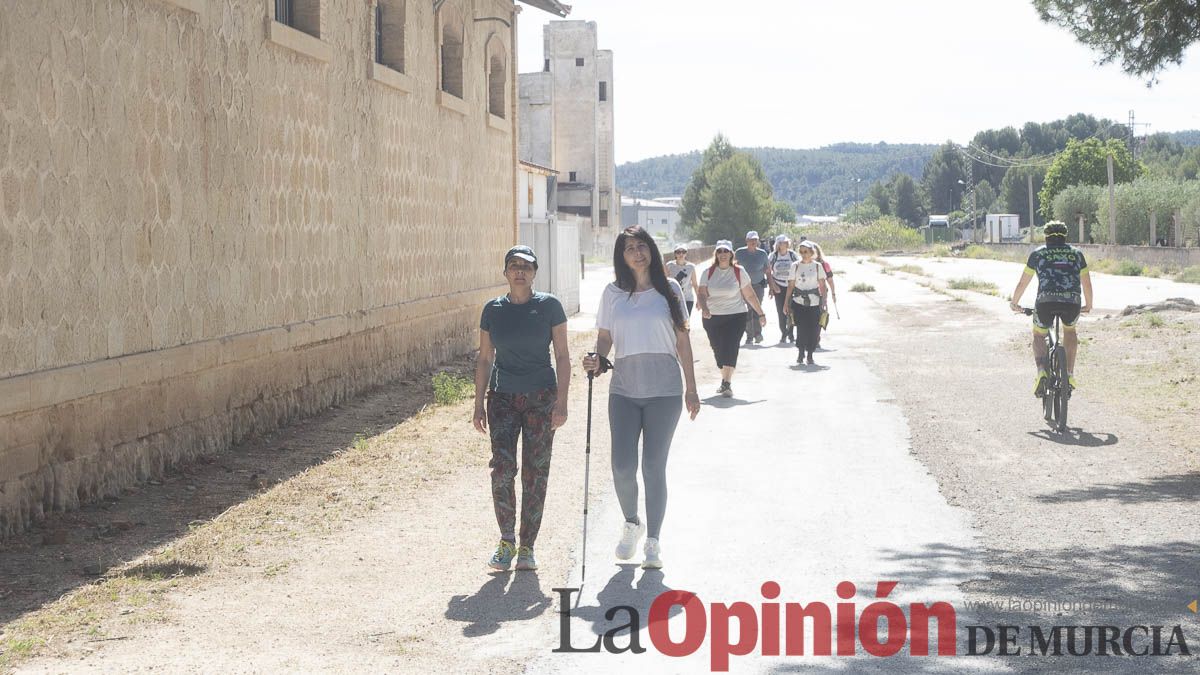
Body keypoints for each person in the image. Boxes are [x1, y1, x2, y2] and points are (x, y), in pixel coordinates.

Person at [583, 226, 700, 570]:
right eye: (630, 248)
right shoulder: (612, 293)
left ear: (651, 250)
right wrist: (596, 357)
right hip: (624, 388)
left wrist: (691, 388)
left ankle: (654, 541)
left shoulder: (671, 290)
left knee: (652, 466)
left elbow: (683, 341)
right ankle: (632, 522)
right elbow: (604, 338)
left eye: (642, 246)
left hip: (664, 389)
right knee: (621, 466)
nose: (637, 253)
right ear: (622, 256)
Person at [473, 245, 570, 572]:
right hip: (501, 397)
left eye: (526, 266)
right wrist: (477, 404)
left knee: (535, 470)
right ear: (505, 272)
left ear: (534, 272)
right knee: (503, 468)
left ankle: (527, 546)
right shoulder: (493, 310)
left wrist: (562, 401)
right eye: (513, 266)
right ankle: (506, 541)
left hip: (541, 397)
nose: (519, 271)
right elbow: (485, 358)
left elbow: (563, 356)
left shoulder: (550, 307)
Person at [1008, 220, 1093, 395]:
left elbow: (1023, 282)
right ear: (1065, 237)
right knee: (1070, 331)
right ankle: (1069, 374)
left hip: (1045, 302)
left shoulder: (1038, 254)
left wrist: (1014, 302)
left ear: (1046, 237)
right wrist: (1089, 305)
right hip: (1072, 302)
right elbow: (1087, 283)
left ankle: (1041, 372)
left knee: (1039, 334)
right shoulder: (1077, 254)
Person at [697, 239, 768, 397]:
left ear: (731, 254)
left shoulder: (739, 271)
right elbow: (701, 294)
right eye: (720, 251)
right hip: (712, 317)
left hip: (736, 316)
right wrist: (705, 308)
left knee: (731, 346)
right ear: (716, 254)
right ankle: (725, 378)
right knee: (718, 351)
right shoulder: (707, 272)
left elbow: (749, 294)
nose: (723, 254)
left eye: (726, 252)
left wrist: (760, 313)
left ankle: (727, 383)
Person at [785, 241, 827, 366]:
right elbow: (791, 286)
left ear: (812, 252)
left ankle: (810, 354)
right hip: (798, 302)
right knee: (801, 329)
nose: (804, 254)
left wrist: (824, 301)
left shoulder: (818, 266)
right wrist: (786, 303)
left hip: (814, 303)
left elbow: (823, 285)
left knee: (814, 330)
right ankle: (801, 352)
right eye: (802, 252)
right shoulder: (795, 266)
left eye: (806, 252)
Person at [734, 231, 770, 344]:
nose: (753, 242)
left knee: (756, 308)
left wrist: (772, 286)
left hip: (758, 284)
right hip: (742, 286)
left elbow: (767, 270)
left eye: (755, 240)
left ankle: (758, 333)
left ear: (758, 241)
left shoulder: (762, 254)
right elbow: (733, 267)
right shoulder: (739, 252)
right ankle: (749, 335)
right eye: (750, 240)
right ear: (746, 241)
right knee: (746, 310)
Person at [767, 235, 798, 343]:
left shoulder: (793, 255)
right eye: (780, 243)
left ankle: (791, 333)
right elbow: (768, 271)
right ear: (777, 244)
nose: (782, 244)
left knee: (791, 311)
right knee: (781, 311)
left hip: (791, 285)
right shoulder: (773, 256)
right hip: (778, 286)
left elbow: (798, 268)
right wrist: (772, 286)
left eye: (784, 242)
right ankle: (783, 333)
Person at [809, 241, 838, 349]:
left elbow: (830, 280)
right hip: (806, 294)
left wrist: (833, 294)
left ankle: (816, 339)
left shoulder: (824, 265)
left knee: (819, 317)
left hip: (821, 294)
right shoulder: (802, 264)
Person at [664, 244, 699, 318]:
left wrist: (699, 300)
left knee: (685, 321)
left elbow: (695, 284)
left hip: (687, 299)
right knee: (674, 322)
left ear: (686, 253)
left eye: (683, 252)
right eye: (678, 252)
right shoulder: (669, 265)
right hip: (673, 299)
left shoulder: (691, 267)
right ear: (675, 254)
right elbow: (664, 283)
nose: (681, 254)